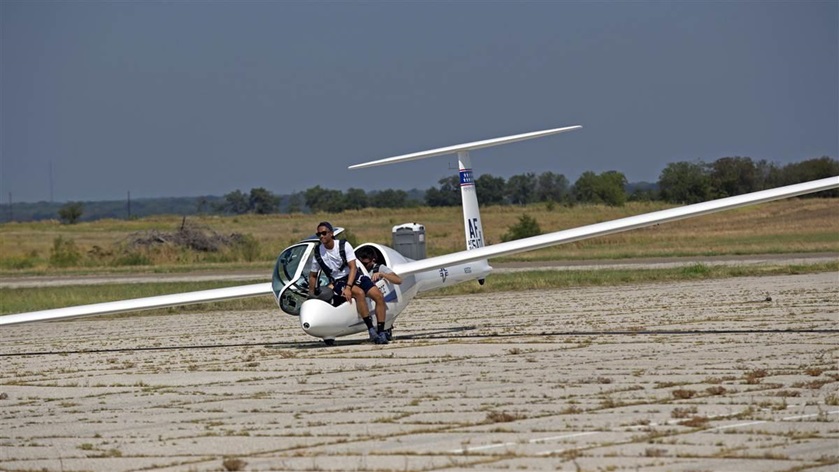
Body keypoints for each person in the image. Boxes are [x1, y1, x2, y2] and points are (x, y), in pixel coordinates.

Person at [307, 222, 389, 344]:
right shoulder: (318, 252)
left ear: (331, 234)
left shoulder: (343, 245)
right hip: (338, 281)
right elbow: (313, 275)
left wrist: (348, 287)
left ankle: (381, 331)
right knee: (360, 293)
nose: (321, 236)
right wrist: (311, 295)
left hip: (353, 275)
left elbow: (353, 267)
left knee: (378, 296)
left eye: (324, 233)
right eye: (318, 234)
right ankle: (371, 330)